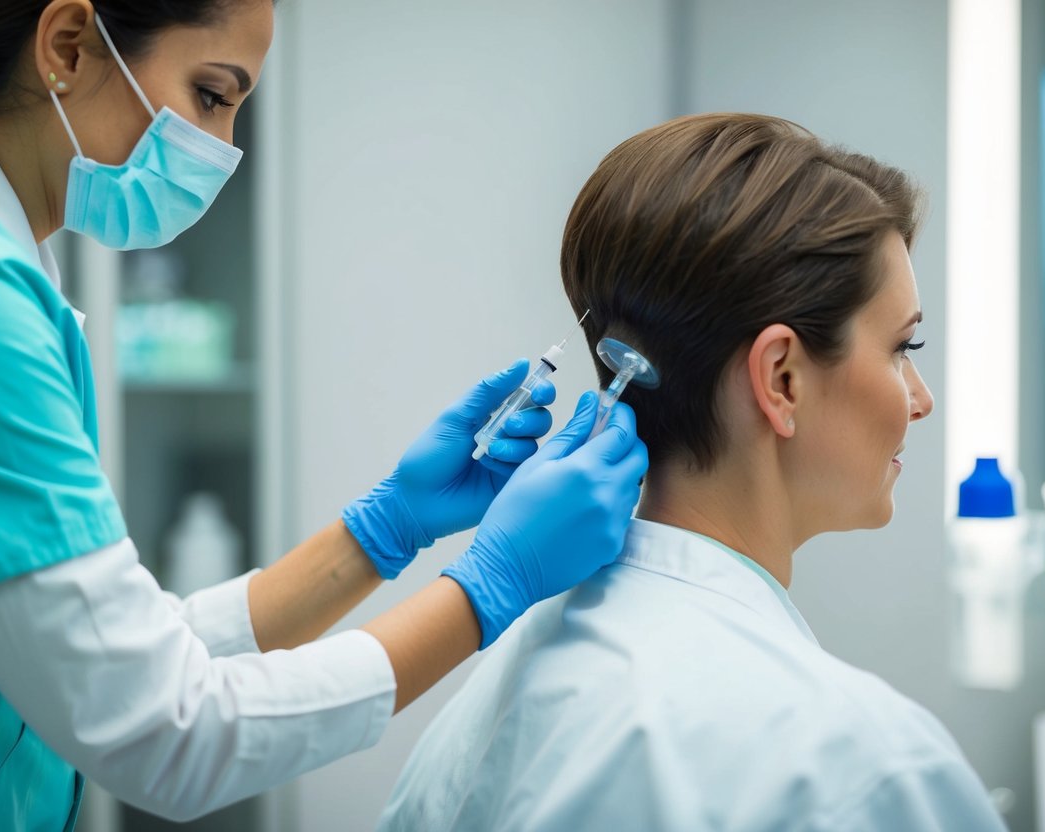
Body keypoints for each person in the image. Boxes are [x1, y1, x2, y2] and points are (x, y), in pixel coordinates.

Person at [0, 1, 649, 829]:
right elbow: (162, 730)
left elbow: (110, 650)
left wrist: (383, 530)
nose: (223, 151)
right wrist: (489, 587)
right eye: (211, 95)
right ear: (67, 44)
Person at [379, 113, 1008, 831]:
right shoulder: (862, 766)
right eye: (902, 348)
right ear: (782, 381)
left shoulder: (491, 700)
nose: (919, 400)